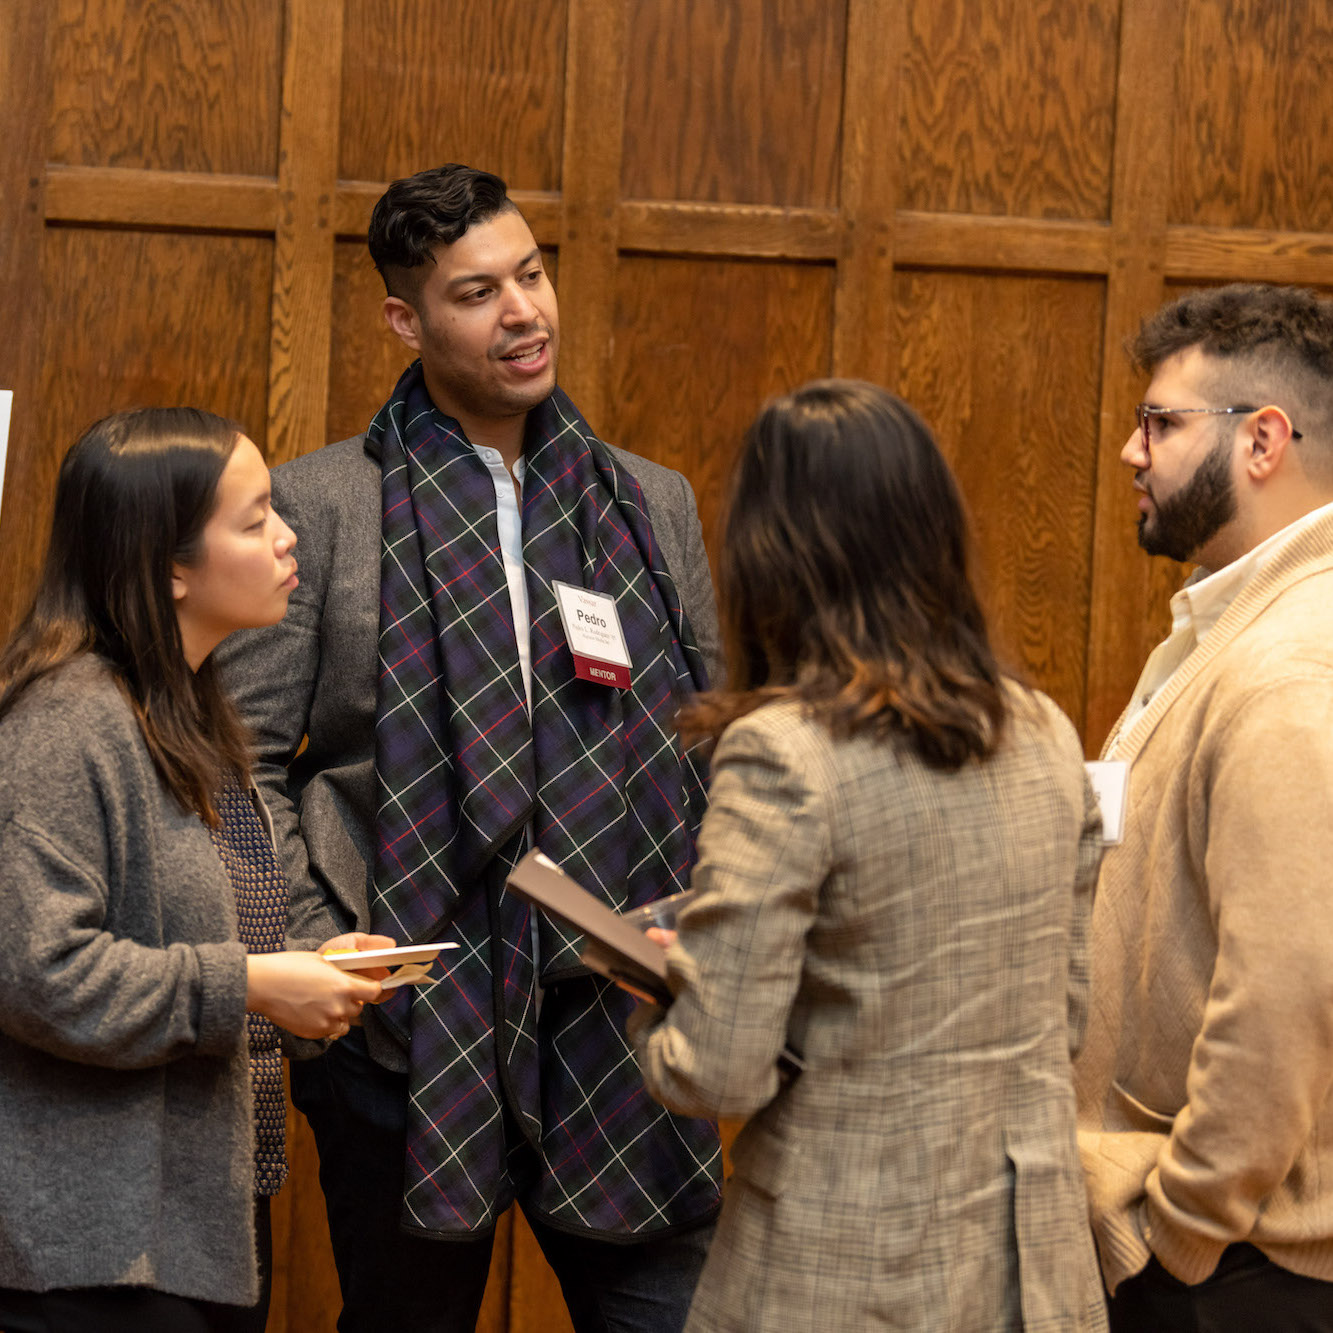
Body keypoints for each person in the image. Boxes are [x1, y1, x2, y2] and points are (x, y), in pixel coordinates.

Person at [215, 163, 722, 1332]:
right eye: (477, 292)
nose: (523, 313)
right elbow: (242, 763)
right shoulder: (321, 503)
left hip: (620, 1023)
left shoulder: (651, 503)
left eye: (532, 277)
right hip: (405, 1029)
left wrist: (704, 926)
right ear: (407, 317)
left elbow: (709, 738)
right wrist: (309, 950)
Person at [630, 379, 1109, 1331]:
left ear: (768, 552)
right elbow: (1059, 1018)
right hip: (1027, 1266)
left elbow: (716, 1070)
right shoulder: (1045, 731)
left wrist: (656, 991)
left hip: (839, 1262)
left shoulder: (784, 750)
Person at [0, 408, 388, 1333]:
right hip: (87, 1253)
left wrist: (310, 965)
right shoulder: (68, 721)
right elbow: (37, 973)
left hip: (193, 1225)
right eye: (254, 522)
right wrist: (254, 984)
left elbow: (201, 922)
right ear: (169, 563)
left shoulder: (187, 712)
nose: (290, 536)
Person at [1074, 283, 1333, 1330]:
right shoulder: (1230, 621)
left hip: (1231, 1272)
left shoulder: (1287, 667)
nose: (1134, 453)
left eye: (1161, 424)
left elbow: (1286, 985)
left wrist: (1181, 1227)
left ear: (1262, 440)